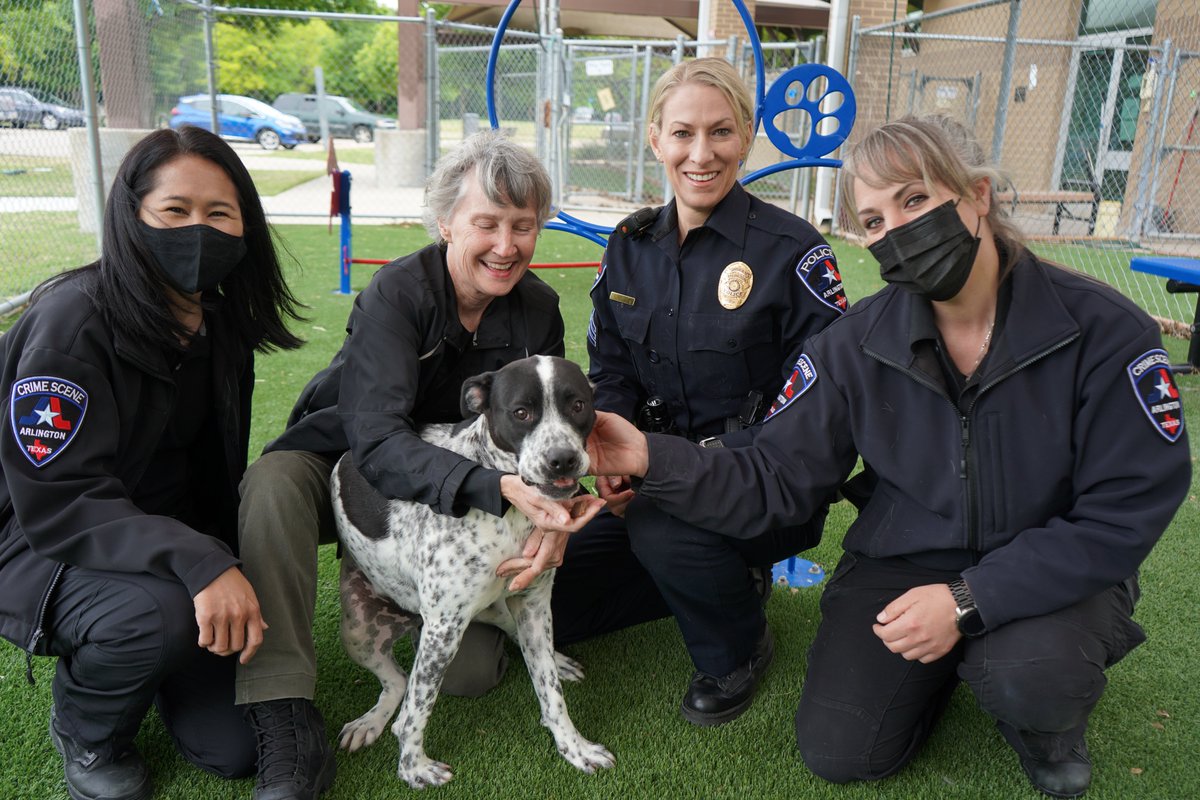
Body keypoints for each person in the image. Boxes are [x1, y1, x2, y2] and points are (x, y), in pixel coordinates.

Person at [584, 114, 1190, 798]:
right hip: (907, 557)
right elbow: (775, 475)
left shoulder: (1103, 329)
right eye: (873, 221)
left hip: (1047, 557)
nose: (896, 231)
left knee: (1029, 673)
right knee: (840, 752)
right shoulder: (853, 346)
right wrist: (649, 455)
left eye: (914, 200)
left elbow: (1123, 511)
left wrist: (969, 599)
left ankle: (1044, 728)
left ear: (978, 194)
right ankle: (958, 661)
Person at [234, 129, 602, 800]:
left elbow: (547, 430)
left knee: (471, 674)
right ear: (446, 222)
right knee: (273, 484)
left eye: (523, 226)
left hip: (456, 509)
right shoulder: (398, 294)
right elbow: (374, 439)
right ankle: (281, 702)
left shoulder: (539, 308)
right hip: (348, 463)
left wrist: (553, 515)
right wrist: (492, 487)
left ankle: (448, 605)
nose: (506, 244)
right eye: (486, 223)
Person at [0, 126, 304, 800]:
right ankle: (85, 729)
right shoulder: (71, 321)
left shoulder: (219, 327)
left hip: (153, 540)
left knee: (232, 750)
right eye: (175, 211)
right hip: (37, 539)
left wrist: (225, 556)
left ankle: (157, 636)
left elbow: (208, 474)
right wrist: (200, 564)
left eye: (220, 214)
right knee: (155, 617)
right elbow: (59, 498)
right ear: (131, 217)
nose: (199, 230)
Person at [549, 57, 848, 728]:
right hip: (650, 475)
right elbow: (611, 369)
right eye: (682, 133)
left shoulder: (793, 251)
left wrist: (662, 473)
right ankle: (718, 580)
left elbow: (823, 406)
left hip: (765, 481)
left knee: (661, 525)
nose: (701, 153)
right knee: (553, 597)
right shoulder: (629, 245)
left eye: (721, 132)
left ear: (746, 135)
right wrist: (614, 446)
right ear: (656, 138)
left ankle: (736, 648)